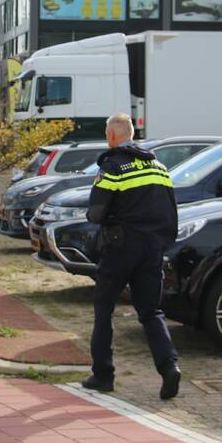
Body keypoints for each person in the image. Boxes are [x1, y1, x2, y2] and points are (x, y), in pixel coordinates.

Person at [82, 112, 181, 400]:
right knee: (151, 312)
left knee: (104, 308)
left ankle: (103, 375)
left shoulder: (113, 167)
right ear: (132, 135)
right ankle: (169, 367)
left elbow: (96, 212)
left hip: (121, 249)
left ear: (111, 136)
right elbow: (170, 211)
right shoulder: (159, 167)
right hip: (152, 250)